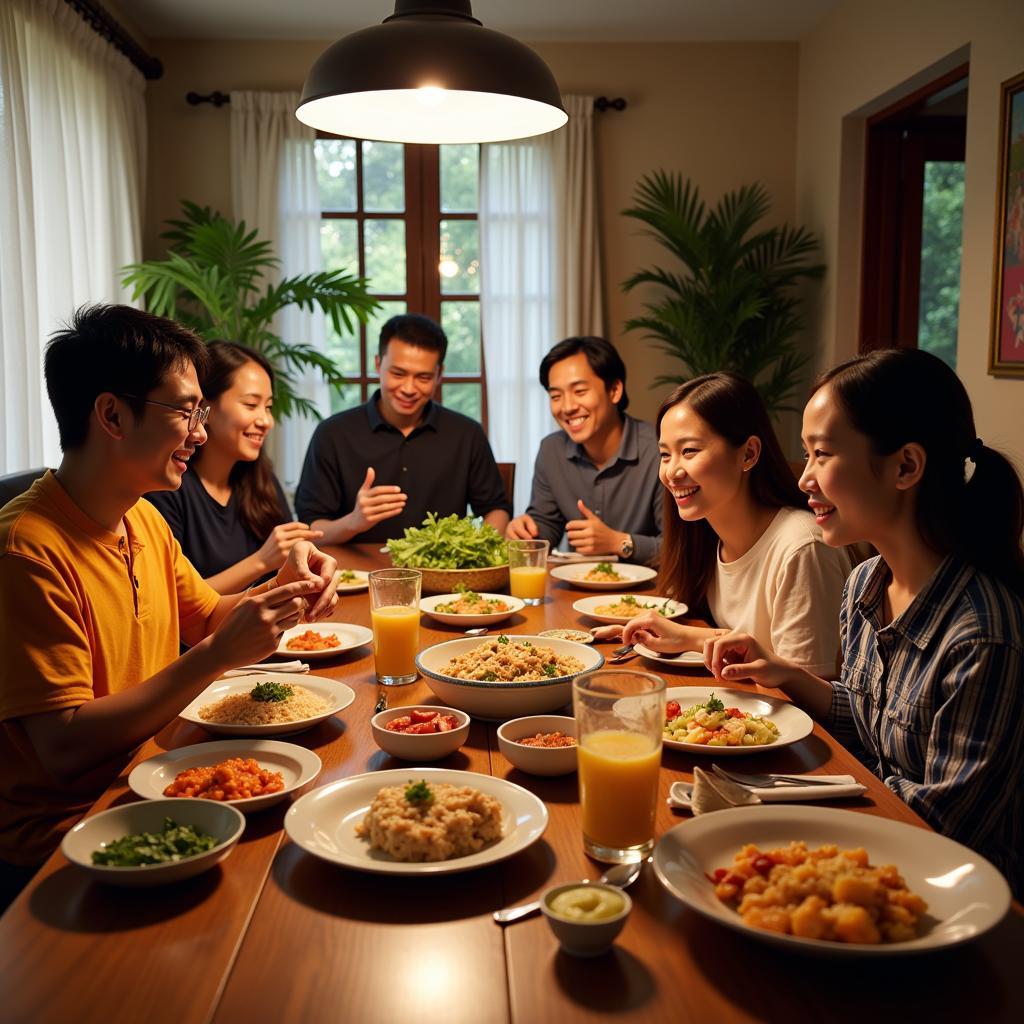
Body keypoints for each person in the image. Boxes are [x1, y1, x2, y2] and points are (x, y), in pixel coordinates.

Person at [0, 305, 339, 907]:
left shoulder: (141, 518)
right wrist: (214, 657)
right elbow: (64, 747)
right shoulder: (26, 550)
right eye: (185, 411)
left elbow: (210, 615)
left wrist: (285, 585)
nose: (201, 433)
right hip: (67, 841)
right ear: (112, 414)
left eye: (201, 412)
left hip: (157, 776)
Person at [704, 349, 1024, 895]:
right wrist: (788, 674)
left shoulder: (982, 634)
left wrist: (803, 810)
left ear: (905, 466)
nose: (803, 478)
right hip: (873, 849)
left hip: (947, 899)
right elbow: (874, 720)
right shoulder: (866, 584)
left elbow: (942, 830)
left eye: (822, 454)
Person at [614, 372, 852, 676]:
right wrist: (651, 630)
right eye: (664, 454)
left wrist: (690, 638)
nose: (672, 472)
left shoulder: (802, 547)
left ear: (748, 454)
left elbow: (805, 687)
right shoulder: (705, 535)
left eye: (689, 451)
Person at [295, 313, 510, 544]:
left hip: (443, 576)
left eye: (423, 377)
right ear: (378, 364)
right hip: (356, 576)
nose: (409, 388)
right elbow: (312, 529)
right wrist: (353, 522)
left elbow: (496, 510)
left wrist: (476, 550)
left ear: (439, 374)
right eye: (398, 374)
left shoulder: (467, 434)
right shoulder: (333, 434)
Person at [148, 341, 320, 593]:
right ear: (205, 408)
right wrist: (261, 561)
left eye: (268, 407)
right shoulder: (168, 487)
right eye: (251, 405)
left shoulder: (259, 478)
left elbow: (287, 568)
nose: (266, 421)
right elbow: (175, 603)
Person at [505, 336, 662, 563]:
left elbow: (684, 548)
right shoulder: (551, 451)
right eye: (556, 396)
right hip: (575, 590)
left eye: (579, 391)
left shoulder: (659, 450)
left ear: (615, 390)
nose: (567, 407)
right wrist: (526, 535)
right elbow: (546, 527)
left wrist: (619, 542)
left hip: (650, 593)